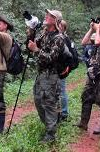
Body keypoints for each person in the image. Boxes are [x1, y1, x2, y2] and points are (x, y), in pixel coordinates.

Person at [28, 9, 66, 142]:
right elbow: (30, 44)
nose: (46, 16)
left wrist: (36, 50)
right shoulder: (45, 34)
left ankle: (51, 135)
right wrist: (31, 31)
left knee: (49, 103)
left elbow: (51, 58)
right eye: (47, 14)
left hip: (51, 76)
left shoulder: (59, 38)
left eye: (50, 15)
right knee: (38, 100)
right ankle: (51, 123)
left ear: (55, 20)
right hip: (41, 74)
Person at [58, 20, 69, 121]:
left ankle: (64, 113)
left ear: (64, 28)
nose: (58, 27)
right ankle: (58, 112)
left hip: (62, 69)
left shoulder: (65, 38)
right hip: (55, 69)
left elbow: (68, 56)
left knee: (62, 91)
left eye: (60, 26)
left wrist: (65, 68)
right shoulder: (56, 37)